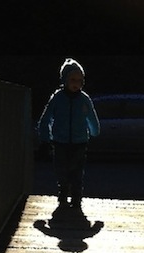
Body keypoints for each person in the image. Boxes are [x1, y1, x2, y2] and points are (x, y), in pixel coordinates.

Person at [37, 58, 100, 209]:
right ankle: (63, 191)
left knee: (77, 170)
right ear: (64, 80)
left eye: (79, 80)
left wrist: (94, 130)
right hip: (60, 141)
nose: (76, 83)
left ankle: (77, 197)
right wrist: (45, 136)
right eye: (72, 79)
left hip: (79, 141)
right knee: (61, 169)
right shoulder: (58, 98)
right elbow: (46, 117)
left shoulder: (84, 99)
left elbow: (91, 116)